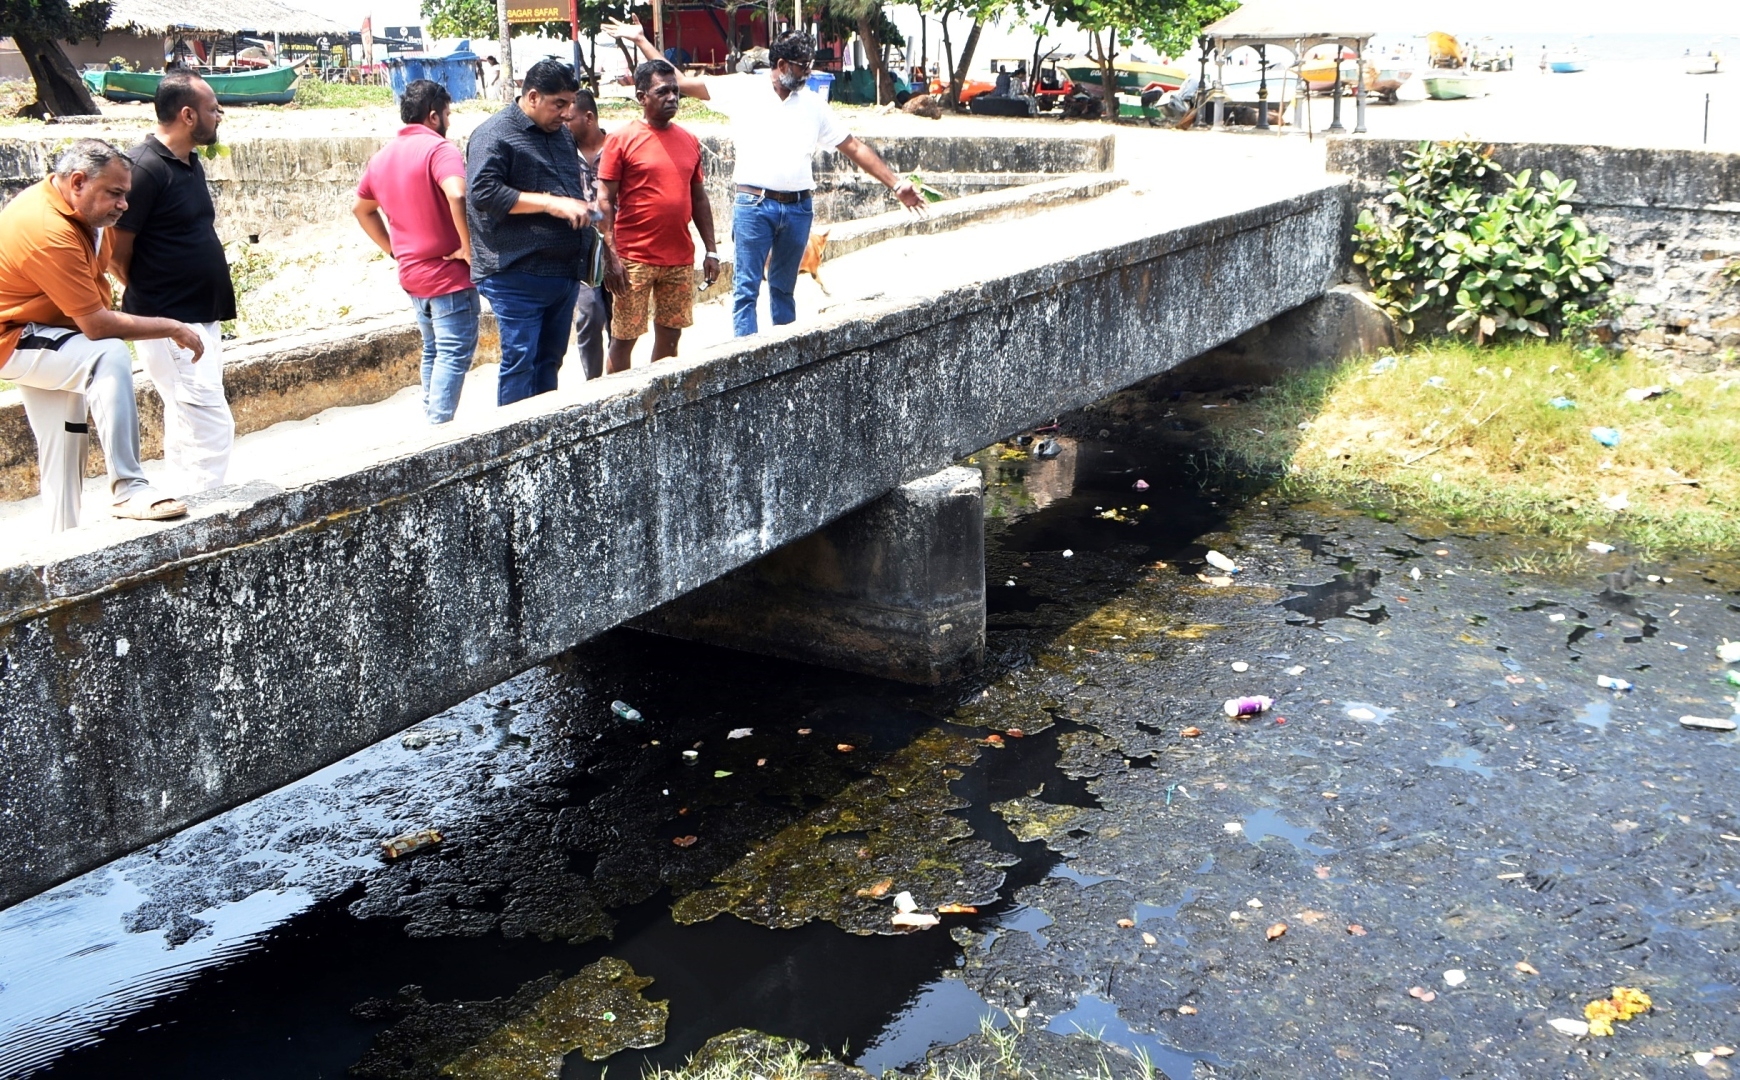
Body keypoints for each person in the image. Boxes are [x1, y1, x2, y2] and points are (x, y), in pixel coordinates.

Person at [607, 21, 925, 337]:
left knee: (783, 290)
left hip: (799, 209)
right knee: (746, 291)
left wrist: (896, 184)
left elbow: (853, 146)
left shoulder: (814, 105)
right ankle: (746, 364)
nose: (808, 75)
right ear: (782, 64)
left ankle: (783, 365)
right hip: (754, 205)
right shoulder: (743, 88)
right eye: (802, 68)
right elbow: (679, 81)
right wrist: (641, 40)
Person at [0, 139, 206, 530]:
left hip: (52, 332)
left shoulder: (90, 218)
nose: (123, 204)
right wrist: (171, 326)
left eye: (125, 194)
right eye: (114, 193)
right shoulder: (46, 227)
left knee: (65, 437)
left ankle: (62, 542)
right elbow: (95, 324)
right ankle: (129, 486)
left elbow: (103, 278)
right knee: (107, 354)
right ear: (78, 182)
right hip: (14, 336)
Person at [109, 71, 235, 494]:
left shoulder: (188, 163)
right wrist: (155, 297)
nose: (218, 116)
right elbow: (115, 250)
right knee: (210, 424)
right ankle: (209, 515)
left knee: (187, 419)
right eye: (212, 108)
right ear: (187, 114)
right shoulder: (143, 169)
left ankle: (185, 500)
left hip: (200, 315)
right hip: (170, 320)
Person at [465, 59, 595, 406]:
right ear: (533, 97)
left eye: (571, 104)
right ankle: (513, 445)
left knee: (550, 362)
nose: (568, 113)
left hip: (563, 274)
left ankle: (542, 438)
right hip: (515, 273)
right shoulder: (494, 134)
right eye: (560, 104)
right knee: (520, 362)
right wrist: (550, 204)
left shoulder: (562, 135)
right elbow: (483, 193)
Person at [354, 78, 479, 424]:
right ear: (434, 116)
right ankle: (437, 427)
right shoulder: (440, 149)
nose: (449, 121)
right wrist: (468, 248)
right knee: (453, 354)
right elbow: (457, 193)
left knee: (434, 350)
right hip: (448, 276)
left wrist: (393, 250)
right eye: (448, 114)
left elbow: (361, 209)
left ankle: (430, 417)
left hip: (413, 274)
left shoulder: (381, 158)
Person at [597, 59, 717, 372]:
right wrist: (610, 255)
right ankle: (618, 406)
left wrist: (712, 250)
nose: (672, 98)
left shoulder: (689, 140)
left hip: (679, 258)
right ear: (641, 97)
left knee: (671, 337)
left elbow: (699, 198)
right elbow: (605, 199)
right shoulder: (621, 140)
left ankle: (659, 405)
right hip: (633, 258)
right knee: (624, 338)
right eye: (662, 91)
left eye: (676, 91)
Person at [566, 87, 612, 380]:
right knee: (590, 314)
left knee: (620, 321)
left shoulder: (617, 148)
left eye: (569, 118)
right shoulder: (562, 151)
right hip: (581, 245)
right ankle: (594, 383)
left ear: (589, 118)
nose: (562, 122)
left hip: (618, 241)